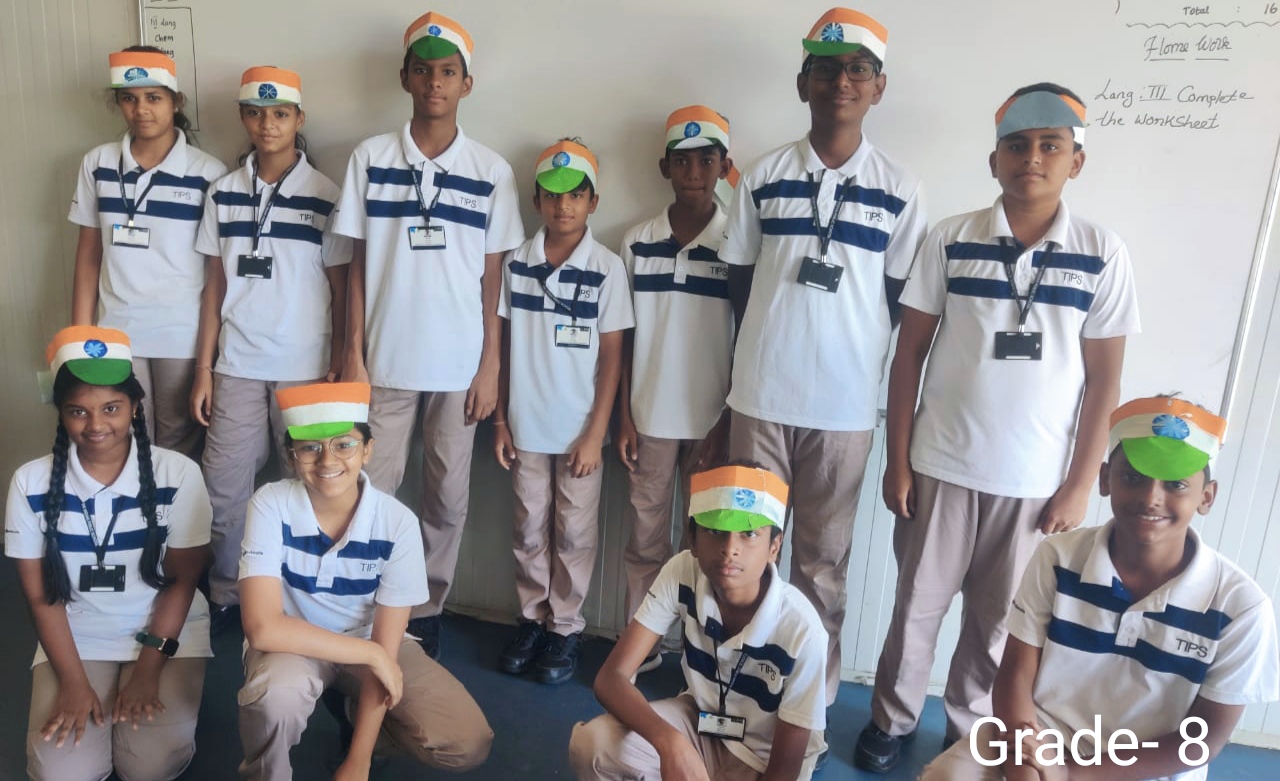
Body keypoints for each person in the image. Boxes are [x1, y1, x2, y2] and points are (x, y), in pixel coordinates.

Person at [856, 84, 1140, 772]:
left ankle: (967, 728)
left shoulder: (1102, 253)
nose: (1031, 158)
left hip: (1036, 484)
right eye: (1017, 145)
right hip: (940, 467)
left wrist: (1080, 485)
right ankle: (892, 719)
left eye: (1050, 146)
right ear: (994, 160)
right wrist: (898, 460)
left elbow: (1104, 382)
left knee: (1000, 624)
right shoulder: (951, 239)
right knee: (915, 610)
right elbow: (908, 354)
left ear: (1076, 162)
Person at [722, 7, 927, 709]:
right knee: (744, 550)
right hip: (759, 397)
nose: (842, 81)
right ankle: (741, 687)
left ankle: (808, 698)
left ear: (878, 87)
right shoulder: (763, 175)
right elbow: (740, 280)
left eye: (857, 70)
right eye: (826, 69)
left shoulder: (901, 187)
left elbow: (897, 299)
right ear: (802, 82)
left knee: (821, 562)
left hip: (843, 407)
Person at [919, 396, 1280, 780]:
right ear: (1105, 479)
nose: (1151, 498)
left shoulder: (1241, 608)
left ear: (1206, 496)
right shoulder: (1058, 558)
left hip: (1142, 767)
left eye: (1175, 484)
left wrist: (1068, 774)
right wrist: (1027, 768)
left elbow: (1201, 741)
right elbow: (1015, 676)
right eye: (1134, 477)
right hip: (1037, 737)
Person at [332, 10, 525, 659]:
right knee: (370, 491)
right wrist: (351, 352)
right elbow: (355, 264)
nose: (434, 82)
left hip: (459, 366)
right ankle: (367, 602)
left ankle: (428, 605)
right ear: (405, 78)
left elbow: (494, 280)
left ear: (466, 83)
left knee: (447, 497)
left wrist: (491, 365)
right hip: (383, 362)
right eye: (423, 70)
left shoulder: (491, 170)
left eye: (447, 72)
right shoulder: (370, 158)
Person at [236, 381, 493, 781]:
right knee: (274, 699)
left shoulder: (397, 523)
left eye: (344, 444)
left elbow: (385, 647)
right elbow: (263, 628)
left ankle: (353, 715)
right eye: (310, 447)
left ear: (367, 449)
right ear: (291, 455)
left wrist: (359, 760)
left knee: (466, 742)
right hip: (293, 645)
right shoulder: (270, 504)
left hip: (371, 642)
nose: (327, 460)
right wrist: (371, 655)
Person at [5, 325, 213, 781]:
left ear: (135, 406)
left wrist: (147, 669)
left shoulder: (178, 473)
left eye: (111, 408)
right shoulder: (29, 482)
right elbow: (41, 597)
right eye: (78, 411)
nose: (96, 425)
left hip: (163, 629)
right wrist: (73, 682)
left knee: (149, 766)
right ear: (61, 413)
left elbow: (181, 582)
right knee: (61, 772)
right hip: (78, 633)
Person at [192, 65, 351, 631]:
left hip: (306, 368)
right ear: (242, 118)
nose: (268, 124)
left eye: (280, 113)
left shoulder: (326, 195)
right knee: (224, 484)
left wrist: (341, 361)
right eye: (256, 114)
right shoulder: (223, 193)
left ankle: (300, 595)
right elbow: (213, 287)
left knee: (312, 485)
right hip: (236, 362)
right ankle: (228, 591)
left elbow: (342, 289)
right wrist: (204, 367)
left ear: (299, 119)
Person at [569, 464, 828, 780]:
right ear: (692, 538)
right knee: (592, 744)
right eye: (715, 531)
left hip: (764, 756)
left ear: (774, 547)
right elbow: (611, 678)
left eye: (749, 534)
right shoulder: (682, 571)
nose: (730, 549)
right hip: (700, 727)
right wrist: (670, 744)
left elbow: (783, 770)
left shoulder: (803, 629)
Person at [493, 139, 634, 684]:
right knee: (528, 527)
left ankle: (564, 627)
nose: (563, 205)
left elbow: (614, 357)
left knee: (574, 532)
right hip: (527, 425)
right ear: (536, 201)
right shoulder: (516, 263)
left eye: (576, 195)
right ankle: (532, 619)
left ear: (593, 202)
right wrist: (501, 420)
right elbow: (503, 346)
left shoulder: (607, 268)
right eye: (552, 195)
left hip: (581, 432)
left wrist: (597, 433)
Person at [617, 105, 737, 672]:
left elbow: (748, 336)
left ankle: (700, 649)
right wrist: (623, 415)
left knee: (708, 547)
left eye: (706, 161)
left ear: (724, 167)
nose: (694, 172)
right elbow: (621, 337)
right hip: (649, 417)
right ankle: (644, 648)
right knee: (645, 540)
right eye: (682, 161)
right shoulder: (637, 242)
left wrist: (730, 420)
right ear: (665, 167)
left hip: (714, 420)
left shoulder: (739, 242)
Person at [69, 47, 228, 459]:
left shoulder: (209, 173)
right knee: (125, 439)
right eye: (129, 98)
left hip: (182, 333)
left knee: (177, 443)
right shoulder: (98, 163)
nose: (141, 110)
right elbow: (88, 257)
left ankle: (172, 506)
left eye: (153, 97)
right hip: (115, 331)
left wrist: (207, 356)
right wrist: (79, 338)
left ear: (176, 102)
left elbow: (217, 273)